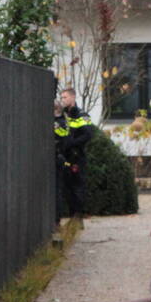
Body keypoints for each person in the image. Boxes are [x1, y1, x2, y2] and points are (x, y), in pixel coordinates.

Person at [57, 88, 93, 217]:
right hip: (64, 156)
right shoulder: (62, 115)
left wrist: (71, 143)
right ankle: (71, 215)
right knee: (66, 188)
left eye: (65, 97)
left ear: (73, 98)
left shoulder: (82, 115)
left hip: (76, 157)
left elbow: (88, 135)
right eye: (61, 98)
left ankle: (77, 216)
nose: (63, 100)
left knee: (77, 187)